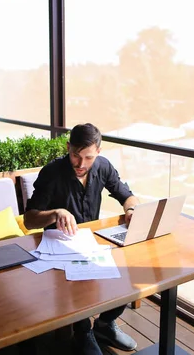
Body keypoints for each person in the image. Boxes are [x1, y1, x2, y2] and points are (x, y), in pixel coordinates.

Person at [24, 123, 140, 355]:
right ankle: (83, 332)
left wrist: (132, 210)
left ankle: (105, 325)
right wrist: (55, 213)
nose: (81, 164)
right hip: (58, 247)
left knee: (128, 276)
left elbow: (127, 196)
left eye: (88, 157)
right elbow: (30, 220)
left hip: (90, 243)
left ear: (98, 150)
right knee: (76, 284)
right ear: (68, 148)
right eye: (75, 156)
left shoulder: (103, 166)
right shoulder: (52, 172)